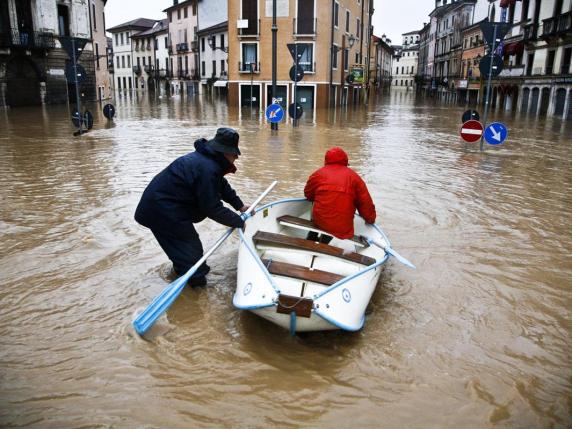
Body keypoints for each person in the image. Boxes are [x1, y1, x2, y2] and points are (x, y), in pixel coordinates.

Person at [135, 127, 249, 287]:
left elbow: (221, 185)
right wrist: (240, 222)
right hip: (162, 211)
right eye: (234, 153)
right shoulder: (207, 168)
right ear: (224, 152)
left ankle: (182, 278)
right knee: (192, 256)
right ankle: (196, 291)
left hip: (166, 208)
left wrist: (240, 205)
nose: (237, 156)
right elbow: (212, 208)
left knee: (187, 253)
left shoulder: (209, 162)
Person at [304, 147, 376, 242]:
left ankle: (311, 239)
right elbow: (365, 203)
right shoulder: (355, 178)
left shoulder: (318, 174)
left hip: (319, 221)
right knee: (335, 224)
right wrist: (370, 219)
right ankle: (324, 243)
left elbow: (308, 194)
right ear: (345, 161)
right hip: (343, 227)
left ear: (326, 160)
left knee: (317, 209)